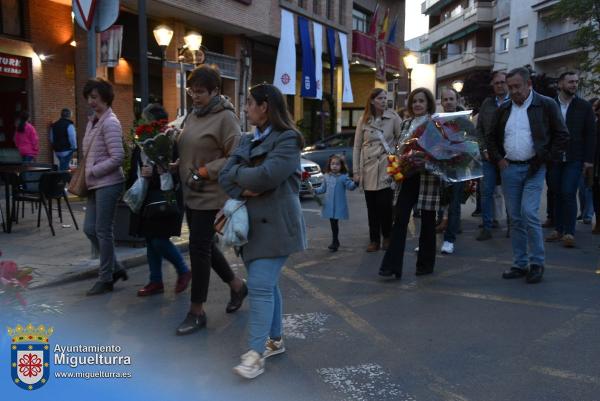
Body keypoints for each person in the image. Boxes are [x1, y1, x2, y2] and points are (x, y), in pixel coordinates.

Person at [219, 83, 307, 379]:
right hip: (250, 228)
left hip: (278, 226)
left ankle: (255, 354)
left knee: (258, 285)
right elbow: (224, 176)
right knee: (267, 284)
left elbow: (268, 175)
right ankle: (276, 340)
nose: (245, 109)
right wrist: (248, 184)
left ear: (265, 106)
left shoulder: (288, 139)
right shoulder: (246, 139)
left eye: (249, 103)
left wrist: (243, 179)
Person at [174, 65, 247, 335]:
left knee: (199, 250)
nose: (195, 96)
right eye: (192, 91)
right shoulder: (194, 114)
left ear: (216, 91)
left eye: (201, 92)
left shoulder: (226, 118)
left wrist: (206, 171)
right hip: (190, 192)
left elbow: (235, 156)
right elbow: (191, 147)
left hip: (211, 194)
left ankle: (197, 312)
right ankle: (237, 286)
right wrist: (176, 164)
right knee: (204, 246)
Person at [487, 67, 569, 284]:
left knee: (529, 213)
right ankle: (520, 263)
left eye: (517, 86)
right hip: (510, 169)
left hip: (535, 168)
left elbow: (562, 135)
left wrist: (545, 158)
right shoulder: (504, 109)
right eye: (509, 87)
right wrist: (498, 158)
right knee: (515, 218)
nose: (513, 91)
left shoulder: (546, 104)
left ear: (528, 85)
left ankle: (537, 263)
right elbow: (491, 137)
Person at [126, 103, 191, 297]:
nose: (141, 123)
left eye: (145, 120)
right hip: (146, 197)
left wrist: (154, 172)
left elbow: (176, 170)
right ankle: (155, 281)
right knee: (149, 239)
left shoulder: (171, 141)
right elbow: (134, 168)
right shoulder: (141, 142)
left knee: (158, 239)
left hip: (164, 197)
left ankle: (183, 269)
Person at [379, 87, 442, 279]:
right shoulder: (406, 124)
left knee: (428, 222)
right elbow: (399, 151)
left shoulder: (436, 124)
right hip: (407, 177)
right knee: (400, 220)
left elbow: (441, 152)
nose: (417, 104)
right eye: (414, 101)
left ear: (428, 103)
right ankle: (392, 266)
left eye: (421, 101)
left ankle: (425, 264)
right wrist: (395, 169)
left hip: (428, 177)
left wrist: (426, 158)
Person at [82, 78, 128, 295]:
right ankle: (116, 267)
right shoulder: (93, 121)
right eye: (89, 98)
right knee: (90, 228)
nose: (91, 102)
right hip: (94, 184)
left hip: (108, 183)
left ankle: (106, 278)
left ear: (106, 98)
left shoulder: (110, 122)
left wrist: (93, 171)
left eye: (95, 97)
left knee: (102, 230)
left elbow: (118, 156)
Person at [545, 72, 596, 248]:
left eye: (576, 82)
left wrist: (589, 160)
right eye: (570, 82)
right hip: (554, 158)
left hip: (575, 157)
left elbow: (591, 134)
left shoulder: (583, 106)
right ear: (560, 84)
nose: (574, 85)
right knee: (556, 192)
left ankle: (569, 232)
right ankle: (558, 229)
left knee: (568, 192)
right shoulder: (550, 105)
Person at [352, 88, 402, 252]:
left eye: (385, 98)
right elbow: (357, 146)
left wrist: (399, 161)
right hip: (367, 168)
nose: (383, 101)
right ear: (372, 101)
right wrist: (356, 171)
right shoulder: (363, 120)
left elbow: (402, 140)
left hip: (386, 167)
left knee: (385, 205)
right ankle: (374, 239)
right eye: (380, 98)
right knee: (371, 207)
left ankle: (387, 236)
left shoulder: (393, 117)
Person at [438, 87, 475, 255]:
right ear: (441, 102)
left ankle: (449, 239)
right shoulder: (436, 121)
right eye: (445, 99)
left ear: (457, 100)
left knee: (454, 205)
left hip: (458, 168)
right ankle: (430, 239)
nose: (448, 102)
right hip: (439, 168)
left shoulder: (465, 121)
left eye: (451, 99)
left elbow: (473, 143)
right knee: (438, 204)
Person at [476, 71, 510, 241]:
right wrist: (483, 150)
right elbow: (479, 129)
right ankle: (487, 227)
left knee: (510, 192)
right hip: (488, 156)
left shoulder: (514, 102)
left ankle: (512, 226)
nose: (499, 85)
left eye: (503, 82)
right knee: (486, 191)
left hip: (509, 156)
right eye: (496, 83)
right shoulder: (487, 104)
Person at [313, 154, 357, 252]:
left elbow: (350, 186)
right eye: (332, 164)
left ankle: (335, 241)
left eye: (337, 164)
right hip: (329, 205)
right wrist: (315, 190)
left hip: (338, 205)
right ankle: (335, 241)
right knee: (333, 224)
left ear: (341, 166)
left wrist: (355, 183)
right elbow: (322, 189)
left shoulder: (343, 177)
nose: (334, 166)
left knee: (334, 223)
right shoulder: (326, 176)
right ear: (329, 165)